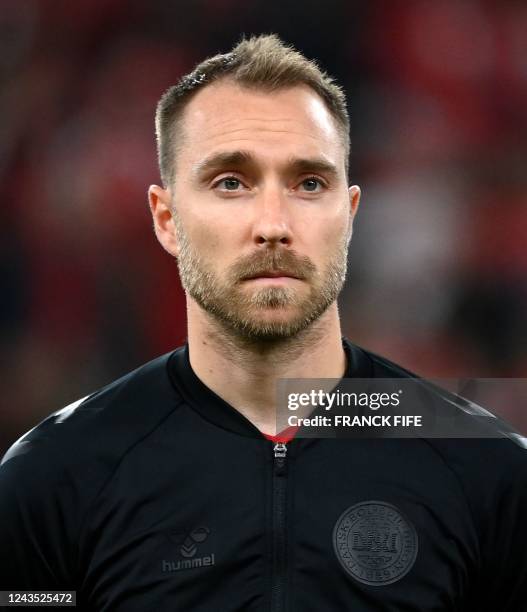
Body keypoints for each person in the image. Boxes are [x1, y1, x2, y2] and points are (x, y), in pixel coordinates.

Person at [0, 34, 526, 611]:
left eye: (308, 184)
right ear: (167, 219)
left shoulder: (489, 469)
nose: (273, 223)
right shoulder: (55, 476)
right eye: (232, 182)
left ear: (348, 215)